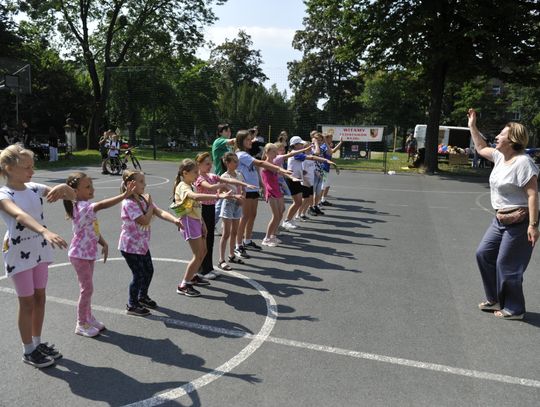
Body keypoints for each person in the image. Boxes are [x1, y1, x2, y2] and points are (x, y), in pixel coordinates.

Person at [0, 144, 76, 368]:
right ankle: (28, 351)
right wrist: (44, 230)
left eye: (32, 167)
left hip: (39, 249)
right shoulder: (4, 194)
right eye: (26, 167)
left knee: (40, 297)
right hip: (18, 251)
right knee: (26, 303)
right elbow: (20, 216)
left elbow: (72, 196)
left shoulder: (33, 187)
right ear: (8, 168)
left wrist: (64, 187)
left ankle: (37, 342)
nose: (31, 172)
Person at [468, 108, 539, 320]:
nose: (497, 137)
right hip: (500, 219)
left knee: (507, 265)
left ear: (512, 140)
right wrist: (472, 125)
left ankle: (515, 308)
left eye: (501, 134)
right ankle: (495, 298)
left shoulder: (523, 162)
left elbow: (533, 195)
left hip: (520, 221)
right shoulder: (500, 156)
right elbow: (480, 147)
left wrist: (533, 225)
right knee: (484, 254)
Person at [63, 172, 137, 336]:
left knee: (88, 289)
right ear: (74, 191)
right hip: (79, 255)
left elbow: (92, 230)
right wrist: (124, 195)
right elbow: (101, 205)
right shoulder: (81, 207)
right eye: (87, 187)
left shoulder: (85, 206)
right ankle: (81, 323)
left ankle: (88, 318)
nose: (92, 189)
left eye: (91, 185)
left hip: (88, 254)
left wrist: (103, 242)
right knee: (87, 289)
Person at [119, 170, 183, 315]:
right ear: (131, 184)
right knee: (139, 274)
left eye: (144, 181)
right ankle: (132, 304)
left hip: (141, 245)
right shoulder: (128, 203)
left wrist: (174, 220)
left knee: (149, 271)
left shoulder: (142, 199)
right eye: (141, 181)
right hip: (130, 246)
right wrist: (150, 205)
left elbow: (158, 211)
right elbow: (145, 220)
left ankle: (142, 296)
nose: (145, 184)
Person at [172, 159, 232, 297]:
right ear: (185, 173)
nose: (197, 175)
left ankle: (193, 276)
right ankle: (184, 285)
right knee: (198, 254)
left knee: (203, 251)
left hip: (196, 222)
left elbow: (196, 208)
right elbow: (195, 197)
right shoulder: (183, 186)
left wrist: (203, 223)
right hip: (189, 223)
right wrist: (218, 195)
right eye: (194, 172)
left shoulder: (190, 184)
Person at [194, 152, 255, 279]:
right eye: (207, 164)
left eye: (211, 163)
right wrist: (223, 186)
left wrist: (244, 185)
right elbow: (210, 187)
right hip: (203, 210)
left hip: (210, 208)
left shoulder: (211, 175)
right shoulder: (200, 178)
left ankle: (208, 268)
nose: (210, 166)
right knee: (204, 241)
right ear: (198, 165)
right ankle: (201, 270)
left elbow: (229, 180)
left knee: (210, 239)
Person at [234, 130, 293, 258]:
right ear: (241, 141)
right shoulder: (241, 154)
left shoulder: (247, 154)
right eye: (248, 140)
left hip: (253, 189)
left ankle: (247, 240)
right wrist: (278, 168)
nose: (251, 141)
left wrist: (261, 185)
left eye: (251, 139)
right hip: (245, 190)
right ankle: (237, 245)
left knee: (252, 215)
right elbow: (260, 163)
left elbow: (255, 171)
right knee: (244, 217)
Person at [283, 136, 336, 230]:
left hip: (297, 180)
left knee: (298, 202)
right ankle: (287, 221)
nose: (302, 145)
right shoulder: (295, 154)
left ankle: (290, 219)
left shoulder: (297, 154)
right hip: (292, 180)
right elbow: (310, 157)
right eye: (300, 144)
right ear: (295, 145)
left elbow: (310, 157)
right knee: (297, 202)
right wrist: (325, 160)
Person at [260, 143, 303, 246]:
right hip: (271, 191)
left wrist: (292, 177)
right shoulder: (265, 164)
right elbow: (279, 170)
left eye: (276, 151)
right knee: (275, 216)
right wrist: (286, 171)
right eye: (273, 152)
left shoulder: (274, 164)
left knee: (279, 214)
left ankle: (273, 236)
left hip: (277, 190)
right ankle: (266, 238)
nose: (275, 154)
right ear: (267, 152)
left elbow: (281, 172)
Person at [218, 153, 248, 270]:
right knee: (226, 233)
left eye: (237, 161)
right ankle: (221, 259)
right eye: (234, 161)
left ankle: (231, 255)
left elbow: (243, 189)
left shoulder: (239, 175)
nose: (237, 163)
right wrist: (235, 196)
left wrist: (242, 197)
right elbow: (221, 191)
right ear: (227, 163)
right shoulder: (224, 176)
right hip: (229, 204)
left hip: (238, 205)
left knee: (235, 232)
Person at [211, 124, 235, 225]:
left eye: (230, 131)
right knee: (220, 202)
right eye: (226, 131)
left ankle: (224, 223)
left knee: (226, 200)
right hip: (221, 175)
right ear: (220, 132)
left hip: (227, 175)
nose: (229, 133)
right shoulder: (219, 141)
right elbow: (232, 141)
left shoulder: (228, 146)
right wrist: (242, 138)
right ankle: (210, 225)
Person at [320, 133, 343, 206]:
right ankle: (318, 202)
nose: (332, 139)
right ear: (326, 139)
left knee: (327, 185)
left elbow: (332, 151)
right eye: (330, 138)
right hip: (323, 168)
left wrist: (340, 142)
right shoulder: (324, 146)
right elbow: (332, 151)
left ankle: (323, 200)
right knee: (322, 186)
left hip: (327, 168)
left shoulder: (327, 146)